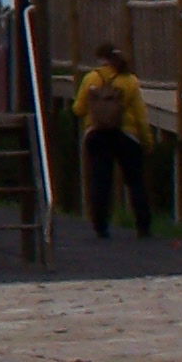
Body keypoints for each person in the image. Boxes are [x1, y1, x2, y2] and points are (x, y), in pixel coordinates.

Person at [73, 45, 153, 238]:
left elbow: (78, 109)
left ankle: (100, 225)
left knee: (100, 179)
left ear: (100, 58)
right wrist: (147, 141)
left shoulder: (91, 78)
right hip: (126, 135)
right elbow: (141, 115)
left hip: (97, 134)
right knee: (135, 181)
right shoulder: (130, 81)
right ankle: (143, 225)